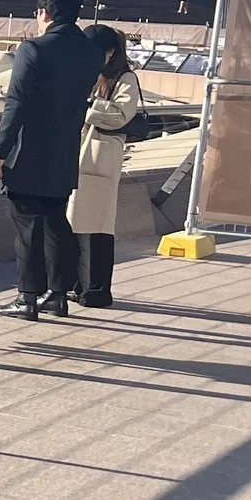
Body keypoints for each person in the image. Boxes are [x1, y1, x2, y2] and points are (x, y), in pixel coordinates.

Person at [0, 0, 99, 321]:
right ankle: (57, 295)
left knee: (27, 228)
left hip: (28, 153)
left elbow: (16, 103)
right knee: (55, 223)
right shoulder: (89, 53)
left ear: (43, 13)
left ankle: (26, 297)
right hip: (63, 153)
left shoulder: (33, 48)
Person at [70, 23, 145, 309]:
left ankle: (98, 290)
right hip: (78, 156)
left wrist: (88, 106)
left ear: (110, 52)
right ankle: (75, 285)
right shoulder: (89, 73)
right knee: (74, 224)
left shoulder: (125, 78)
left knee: (98, 227)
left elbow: (121, 115)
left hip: (100, 156)